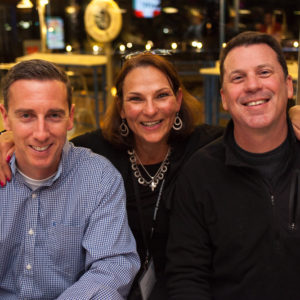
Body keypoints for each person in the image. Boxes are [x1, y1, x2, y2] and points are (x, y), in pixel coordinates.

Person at [0, 52, 224, 299]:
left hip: (189, 284)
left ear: (178, 99)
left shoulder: (207, 147)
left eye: (161, 95)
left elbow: (112, 266)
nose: (150, 109)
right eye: (136, 98)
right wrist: (9, 136)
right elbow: (45, 141)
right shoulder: (99, 151)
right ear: (122, 108)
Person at [166, 31, 300, 299]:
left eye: (264, 72)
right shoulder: (200, 174)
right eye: (238, 77)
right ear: (225, 97)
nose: (252, 86)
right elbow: (187, 277)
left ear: (288, 86)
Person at [0, 59, 139, 299]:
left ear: (71, 117)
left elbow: (112, 266)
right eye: (26, 115)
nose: (41, 133)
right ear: (5, 117)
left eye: (54, 115)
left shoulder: (99, 179)